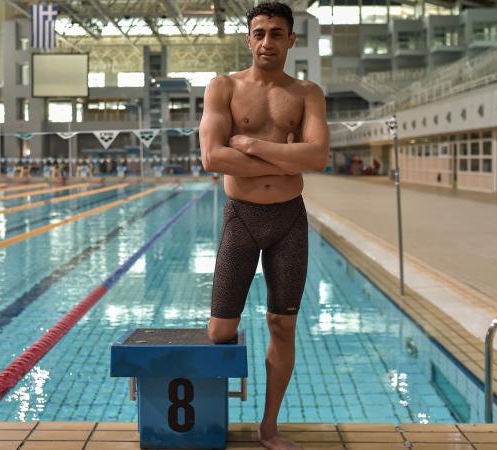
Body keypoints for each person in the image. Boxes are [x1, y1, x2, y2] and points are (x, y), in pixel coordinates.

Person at [198, 2, 329, 449]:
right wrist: (286, 158)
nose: (266, 41)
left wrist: (251, 144)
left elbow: (318, 157)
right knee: (219, 332)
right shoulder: (224, 87)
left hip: (289, 219)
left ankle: (268, 427)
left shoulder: (308, 93)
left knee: (282, 324)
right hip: (243, 218)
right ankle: (216, 411)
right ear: (248, 38)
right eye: (259, 33)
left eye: (276, 33)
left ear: (292, 40)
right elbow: (213, 157)